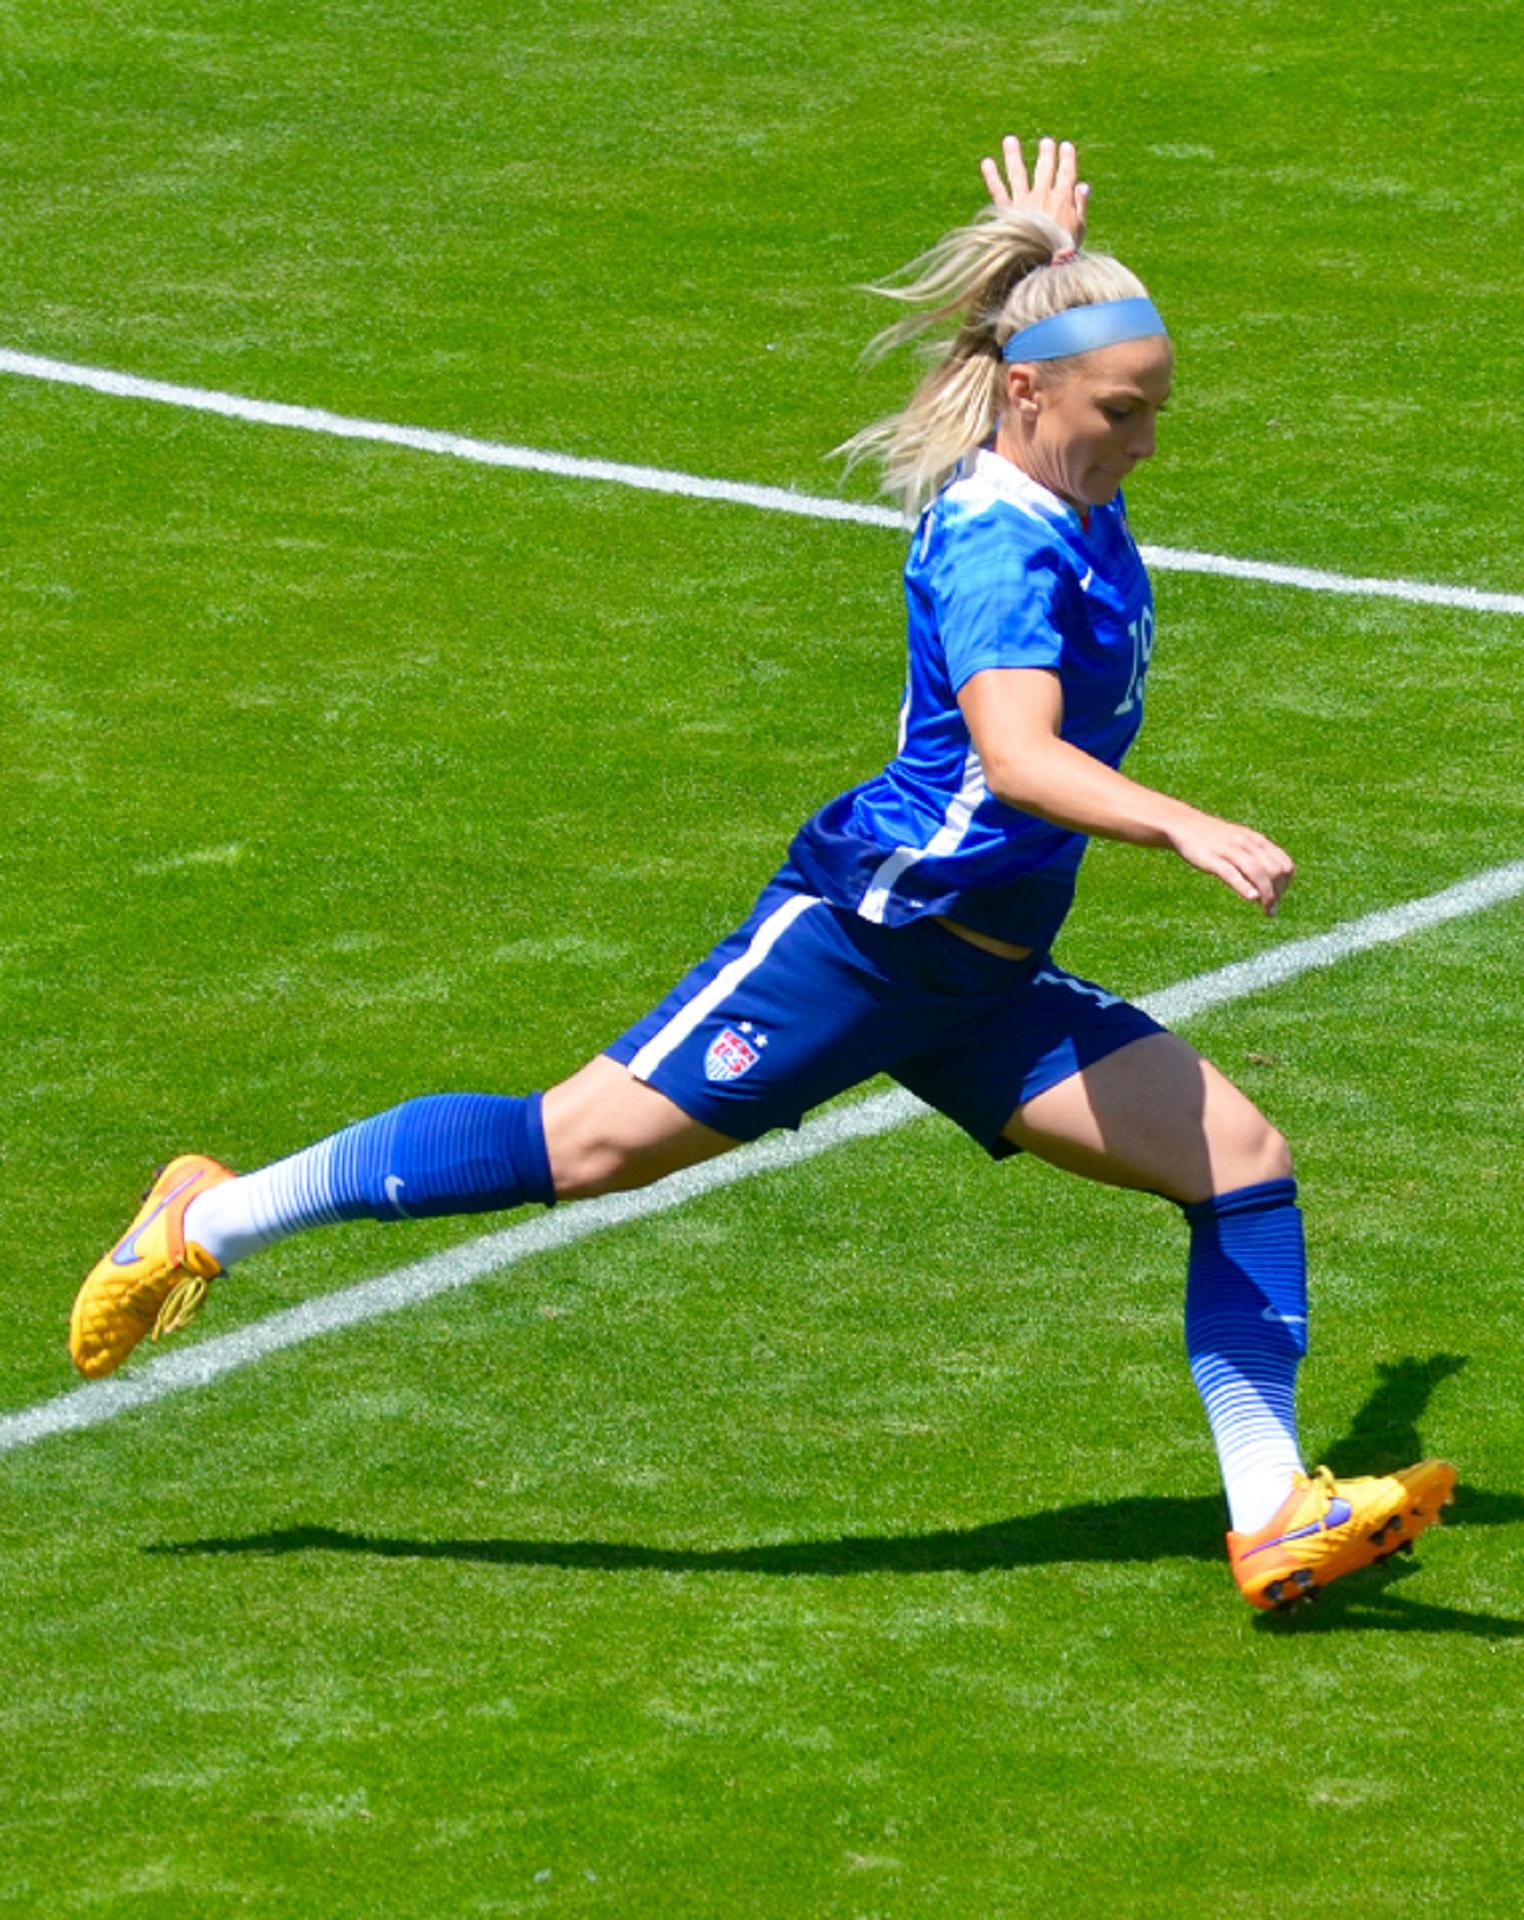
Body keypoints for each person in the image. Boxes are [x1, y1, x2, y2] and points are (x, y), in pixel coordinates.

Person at [70, 137, 1453, 1612]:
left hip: (978, 980)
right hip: (865, 943)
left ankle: (1272, 1516)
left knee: (1239, 1164)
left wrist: (1035, 260)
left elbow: (1033, 366)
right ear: (1037, 393)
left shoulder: (1068, 470)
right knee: (576, 1149)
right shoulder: (1001, 542)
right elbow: (1018, 758)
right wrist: (1181, 823)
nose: (1148, 444)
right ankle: (208, 1217)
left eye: (1159, 410)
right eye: (1126, 411)